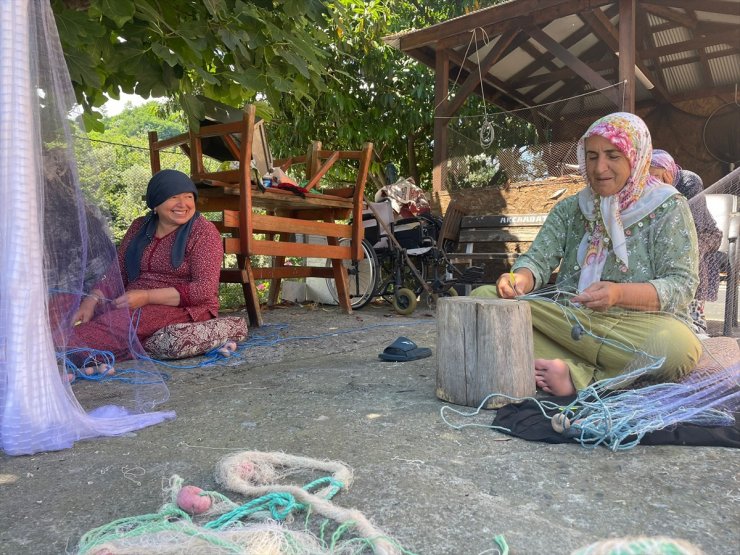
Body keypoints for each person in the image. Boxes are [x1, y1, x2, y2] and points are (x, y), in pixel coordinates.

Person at [471, 112, 701, 396]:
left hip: (635, 329)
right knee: (482, 301)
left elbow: (681, 286)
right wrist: (519, 279)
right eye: (592, 156)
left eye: (612, 155)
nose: (600, 167)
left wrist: (618, 295)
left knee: (677, 348)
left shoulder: (668, 207)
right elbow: (537, 260)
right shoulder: (571, 210)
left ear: (635, 156)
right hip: (570, 324)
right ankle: (571, 369)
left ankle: (577, 375)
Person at [66, 169, 224, 365]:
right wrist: (92, 299)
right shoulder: (140, 227)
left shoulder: (204, 233)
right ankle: (79, 354)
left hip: (186, 307)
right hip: (132, 301)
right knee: (66, 306)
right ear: (156, 203)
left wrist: (147, 297)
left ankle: (60, 350)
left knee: (117, 325)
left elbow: (205, 290)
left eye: (189, 197)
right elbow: (119, 272)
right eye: (174, 197)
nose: (183, 204)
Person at [650, 149, 722, 335]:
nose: (653, 182)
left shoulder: (689, 181)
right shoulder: (650, 187)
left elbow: (693, 223)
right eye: (650, 177)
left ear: (668, 171)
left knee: (691, 252)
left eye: (657, 176)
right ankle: (666, 313)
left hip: (705, 233)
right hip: (670, 233)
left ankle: (696, 318)